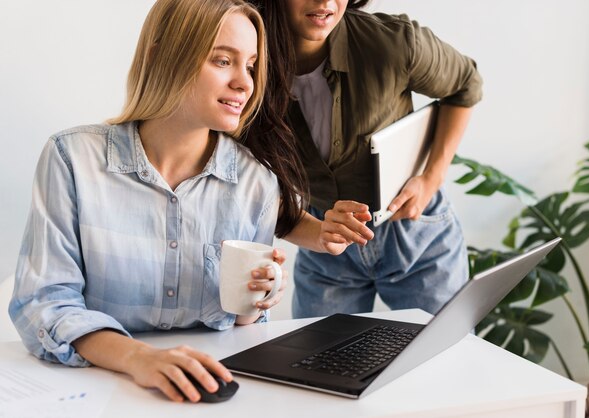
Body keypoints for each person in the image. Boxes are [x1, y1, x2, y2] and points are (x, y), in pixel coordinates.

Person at [9, 0, 368, 403]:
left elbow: (242, 324)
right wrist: (139, 358)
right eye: (222, 61)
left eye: (250, 66)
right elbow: (44, 304)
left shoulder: (257, 182)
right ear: (163, 54)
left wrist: (257, 299)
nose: (244, 83)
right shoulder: (72, 159)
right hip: (91, 393)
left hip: (213, 395)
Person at [247, 0, 483, 318]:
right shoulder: (246, 62)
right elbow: (242, 175)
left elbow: (466, 83)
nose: (325, 3)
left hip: (415, 232)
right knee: (320, 364)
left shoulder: (394, 42)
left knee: (444, 360)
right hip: (325, 239)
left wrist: (431, 179)